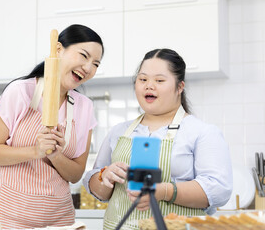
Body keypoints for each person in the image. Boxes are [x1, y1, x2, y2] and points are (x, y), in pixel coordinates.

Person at [83, 48, 232, 230]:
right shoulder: (119, 131)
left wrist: (164, 191)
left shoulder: (202, 132)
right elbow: (98, 190)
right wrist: (103, 177)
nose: (149, 86)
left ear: (180, 87)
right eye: (143, 79)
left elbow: (218, 190)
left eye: (159, 80)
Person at [0, 24, 104, 229]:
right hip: (7, 217)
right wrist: (35, 151)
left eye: (96, 64)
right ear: (58, 50)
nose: (89, 68)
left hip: (59, 219)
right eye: (83, 55)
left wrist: (55, 155)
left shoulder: (85, 107)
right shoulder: (21, 92)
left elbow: (74, 175)